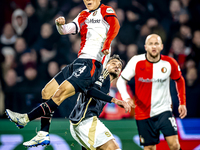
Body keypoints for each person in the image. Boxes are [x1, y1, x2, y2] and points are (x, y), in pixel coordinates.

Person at [6, 0, 120, 131]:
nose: (88, 0)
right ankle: (43, 133)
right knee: (47, 91)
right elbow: (66, 29)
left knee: (60, 93)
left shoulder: (107, 10)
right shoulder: (83, 14)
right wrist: (60, 26)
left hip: (92, 63)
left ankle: (25, 118)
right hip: (79, 61)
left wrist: (106, 44)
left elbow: (115, 26)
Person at [22, 55, 127, 150]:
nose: (117, 66)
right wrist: (114, 100)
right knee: (113, 148)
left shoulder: (105, 81)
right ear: (106, 65)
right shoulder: (103, 75)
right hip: (86, 121)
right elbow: (90, 90)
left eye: (119, 65)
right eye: (113, 63)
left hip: (79, 123)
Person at [117, 34, 187, 150]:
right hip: (143, 113)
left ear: (161, 46)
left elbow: (180, 80)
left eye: (156, 44)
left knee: (174, 145)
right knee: (149, 148)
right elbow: (121, 81)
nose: (153, 46)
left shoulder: (170, 63)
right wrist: (126, 97)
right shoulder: (136, 61)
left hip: (164, 110)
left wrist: (182, 103)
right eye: (151, 44)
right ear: (145, 47)